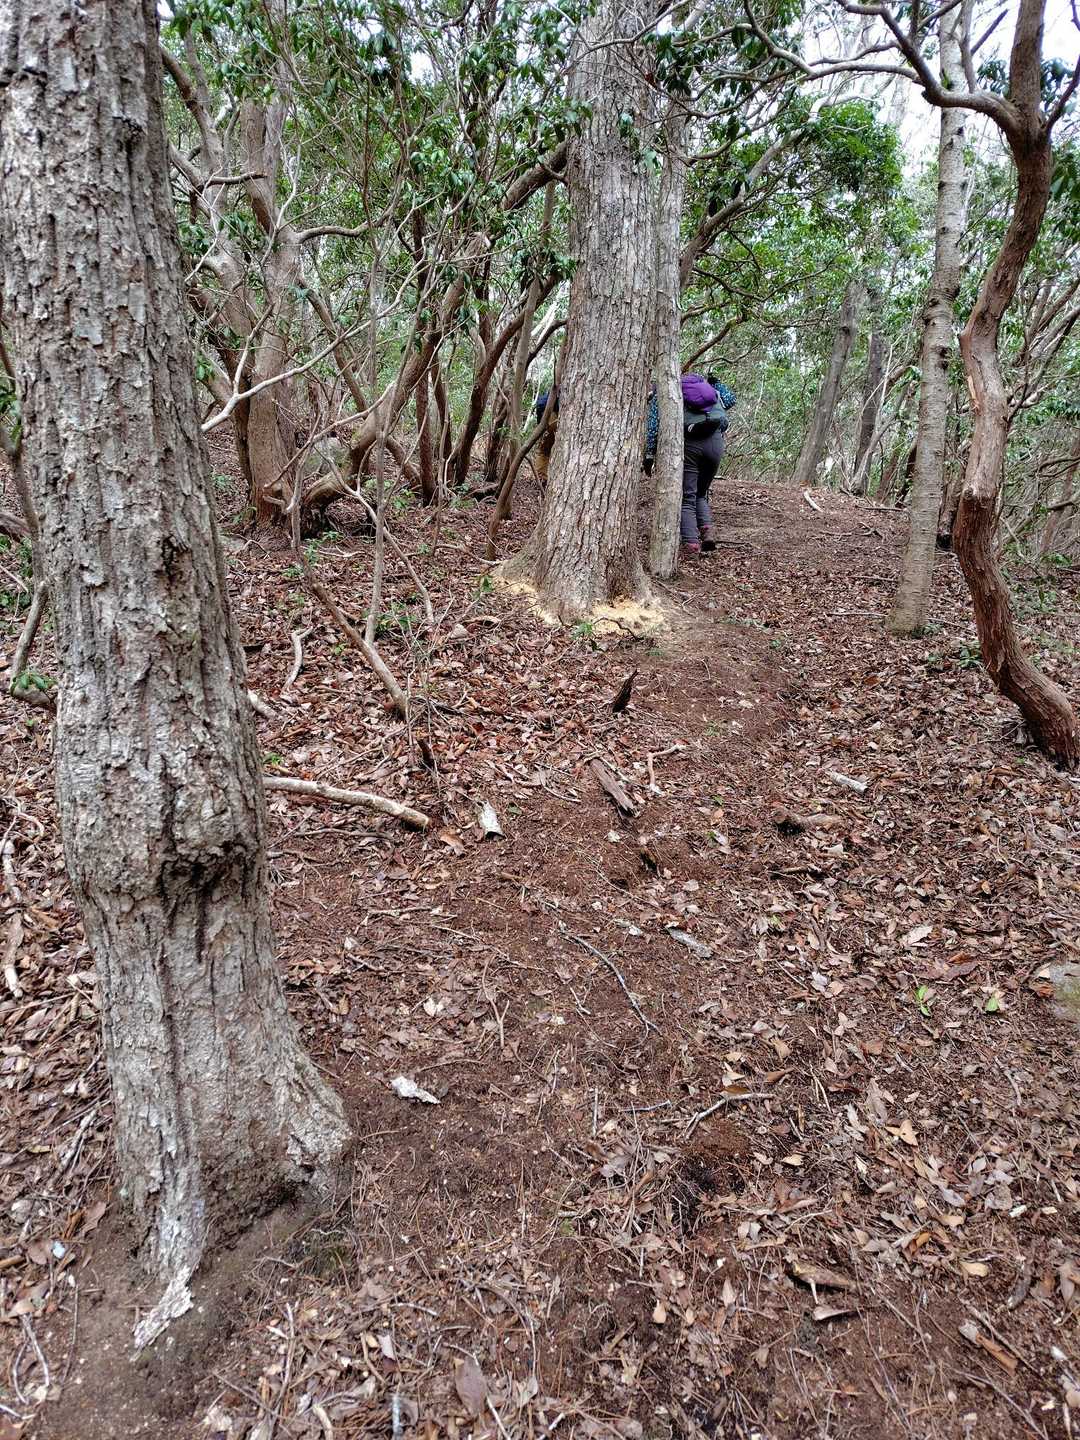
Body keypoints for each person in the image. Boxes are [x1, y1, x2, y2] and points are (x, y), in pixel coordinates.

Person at [643, 373, 736, 556]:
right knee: (701, 493)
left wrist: (649, 455)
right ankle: (707, 532)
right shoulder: (710, 390)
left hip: (690, 445)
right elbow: (730, 399)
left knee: (687, 497)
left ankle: (691, 545)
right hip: (715, 443)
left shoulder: (665, 392)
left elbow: (653, 426)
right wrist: (717, 382)